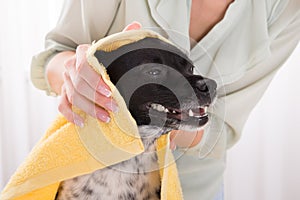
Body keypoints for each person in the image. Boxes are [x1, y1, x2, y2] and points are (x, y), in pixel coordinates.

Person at [30, 0, 300, 199]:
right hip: (88, 182)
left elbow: (222, 130)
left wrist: (166, 118)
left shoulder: (287, 9)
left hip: (192, 189)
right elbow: (56, 55)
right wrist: (74, 77)